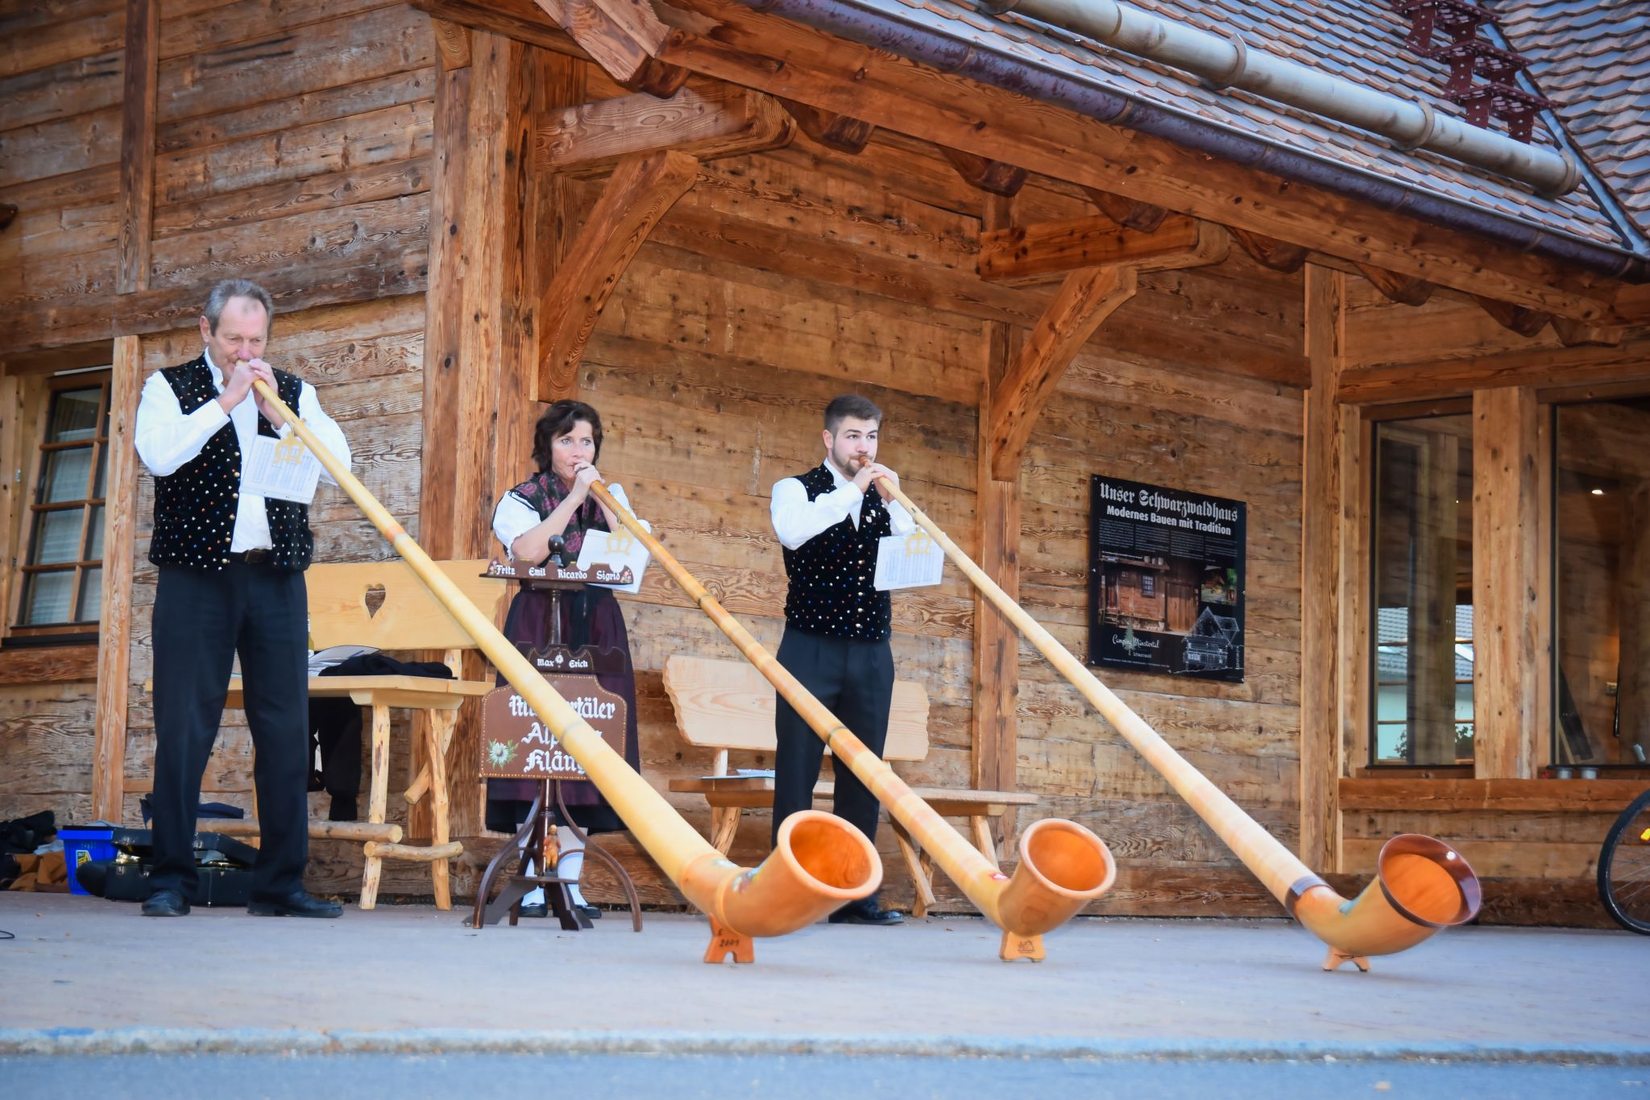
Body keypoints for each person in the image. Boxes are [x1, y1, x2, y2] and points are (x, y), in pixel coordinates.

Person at [134, 278, 351, 918]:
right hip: (196, 578)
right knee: (184, 727)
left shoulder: (295, 390)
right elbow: (158, 455)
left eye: (256, 340)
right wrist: (225, 402)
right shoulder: (167, 387)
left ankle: (279, 885)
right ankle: (170, 878)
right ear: (207, 332)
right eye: (234, 339)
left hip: (276, 577)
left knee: (285, 729)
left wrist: (287, 413)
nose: (245, 351)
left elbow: (339, 463)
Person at [488, 400, 641, 920]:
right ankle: (533, 883)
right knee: (534, 748)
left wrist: (600, 496)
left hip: (596, 622)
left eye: (587, 441)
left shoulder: (610, 494)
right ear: (547, 446)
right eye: (567, 440)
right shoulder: (521, 498)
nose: (579, 450)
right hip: (538, 622)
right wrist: (574, 497)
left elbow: (634, 547)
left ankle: (570, 883)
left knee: (586, 750)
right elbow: (527, 552)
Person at [770, 394, 915, 925]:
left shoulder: (887, 494)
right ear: (829, 439)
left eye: (872, 436)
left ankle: (853, 893)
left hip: (873, 650)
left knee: (863, 772)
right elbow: (792, 531)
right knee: (797, 769)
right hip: (810, 645)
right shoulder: (795, 490)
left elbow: (919, 554)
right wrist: (852, 490)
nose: (864, 447)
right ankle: (787, 887)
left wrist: (895, 503)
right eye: (854, 436)